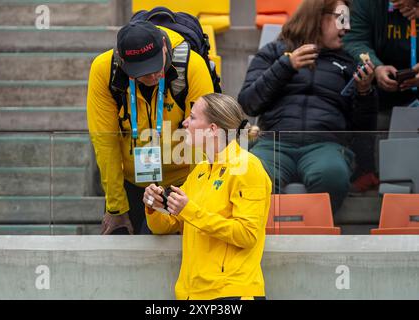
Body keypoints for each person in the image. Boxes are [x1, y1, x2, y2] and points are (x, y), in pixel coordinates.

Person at [237, 0, 378, 213]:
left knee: (332, 175)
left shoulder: (350, 62)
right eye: (342, 19)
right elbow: (248, 103)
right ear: (318, 17)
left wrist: (365, 92)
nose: (347, 27)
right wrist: (286, 66)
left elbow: (363, 128)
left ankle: (315, 235)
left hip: (325, 145)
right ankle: (263, 236)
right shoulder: (274, 53)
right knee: (252, 175)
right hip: (274, 143)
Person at [87, 20, 214, 235]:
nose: (153, 76)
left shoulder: (192, 66)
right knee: (124, 250)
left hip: (182, 181)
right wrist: (116, 207)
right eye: (143, 72)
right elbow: (104, 141)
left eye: (156, 66)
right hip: (132, 181)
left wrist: (194, 202)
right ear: (123, 62)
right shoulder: (104, 70)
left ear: (164, 46)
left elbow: (203, 139)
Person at [143, 93, 272, 300]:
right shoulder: (200, 171)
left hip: (231, 293)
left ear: (212, 129)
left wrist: (190, 210)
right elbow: (165, 225)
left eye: (193, 118)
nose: (185, 123)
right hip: (193, 294)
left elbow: (247, 235)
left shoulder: (247, 167)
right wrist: (154, 205)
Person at [343, 0, 419, 192]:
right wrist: (376, 67)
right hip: (379, 85)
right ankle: (367, 171)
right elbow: (354, 40)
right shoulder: (366, 3)